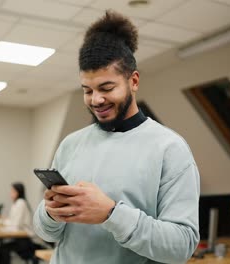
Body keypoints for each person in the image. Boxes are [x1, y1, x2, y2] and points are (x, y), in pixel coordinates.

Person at [33, 11, 200, 264]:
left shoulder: (170, 149)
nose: (96, 100)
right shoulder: (71, 144)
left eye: (106, 88)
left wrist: (110, 214)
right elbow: (46, 232)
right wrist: (50, 214)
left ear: (133, 81)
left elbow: (181, 247)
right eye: (87, 90)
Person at [0, 182, 38, 264]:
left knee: (2, 249)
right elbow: (12, 221)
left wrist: (2, 227)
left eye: (12, 191)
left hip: (25, 240)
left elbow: (16, 225)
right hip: (19, 238)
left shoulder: (21, 203)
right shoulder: (16, 203)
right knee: (1, 248)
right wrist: (2, 223)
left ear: (18, 192)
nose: (10, 193)